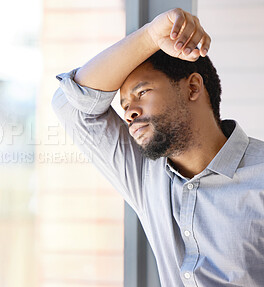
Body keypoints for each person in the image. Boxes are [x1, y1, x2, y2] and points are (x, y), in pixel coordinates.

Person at [52, 8, 264, 287]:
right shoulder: (145, 175)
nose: (129, 114)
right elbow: (71, 105)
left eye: (142, 93)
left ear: (192, 87)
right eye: (125, 105)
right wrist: (151, 35)